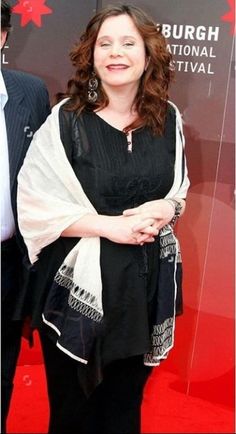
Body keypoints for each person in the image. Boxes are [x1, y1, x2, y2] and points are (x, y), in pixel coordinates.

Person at [17, 4, 190, 434]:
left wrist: (167, 208)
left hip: (143, 286)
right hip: (76, 290)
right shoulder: (66, 120)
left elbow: (177, 192)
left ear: (147, 55)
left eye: (129, 43)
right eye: (105, 43)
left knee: (125, 405)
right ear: (91, 55)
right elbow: (34, 204)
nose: (116, 52)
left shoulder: (168, 119)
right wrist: (107, 226)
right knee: (74, 410)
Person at [0, 1, 50, 431]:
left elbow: (47, 177)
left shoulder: (29, 93)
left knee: (1, 376)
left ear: (2, 37)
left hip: (7, 265)